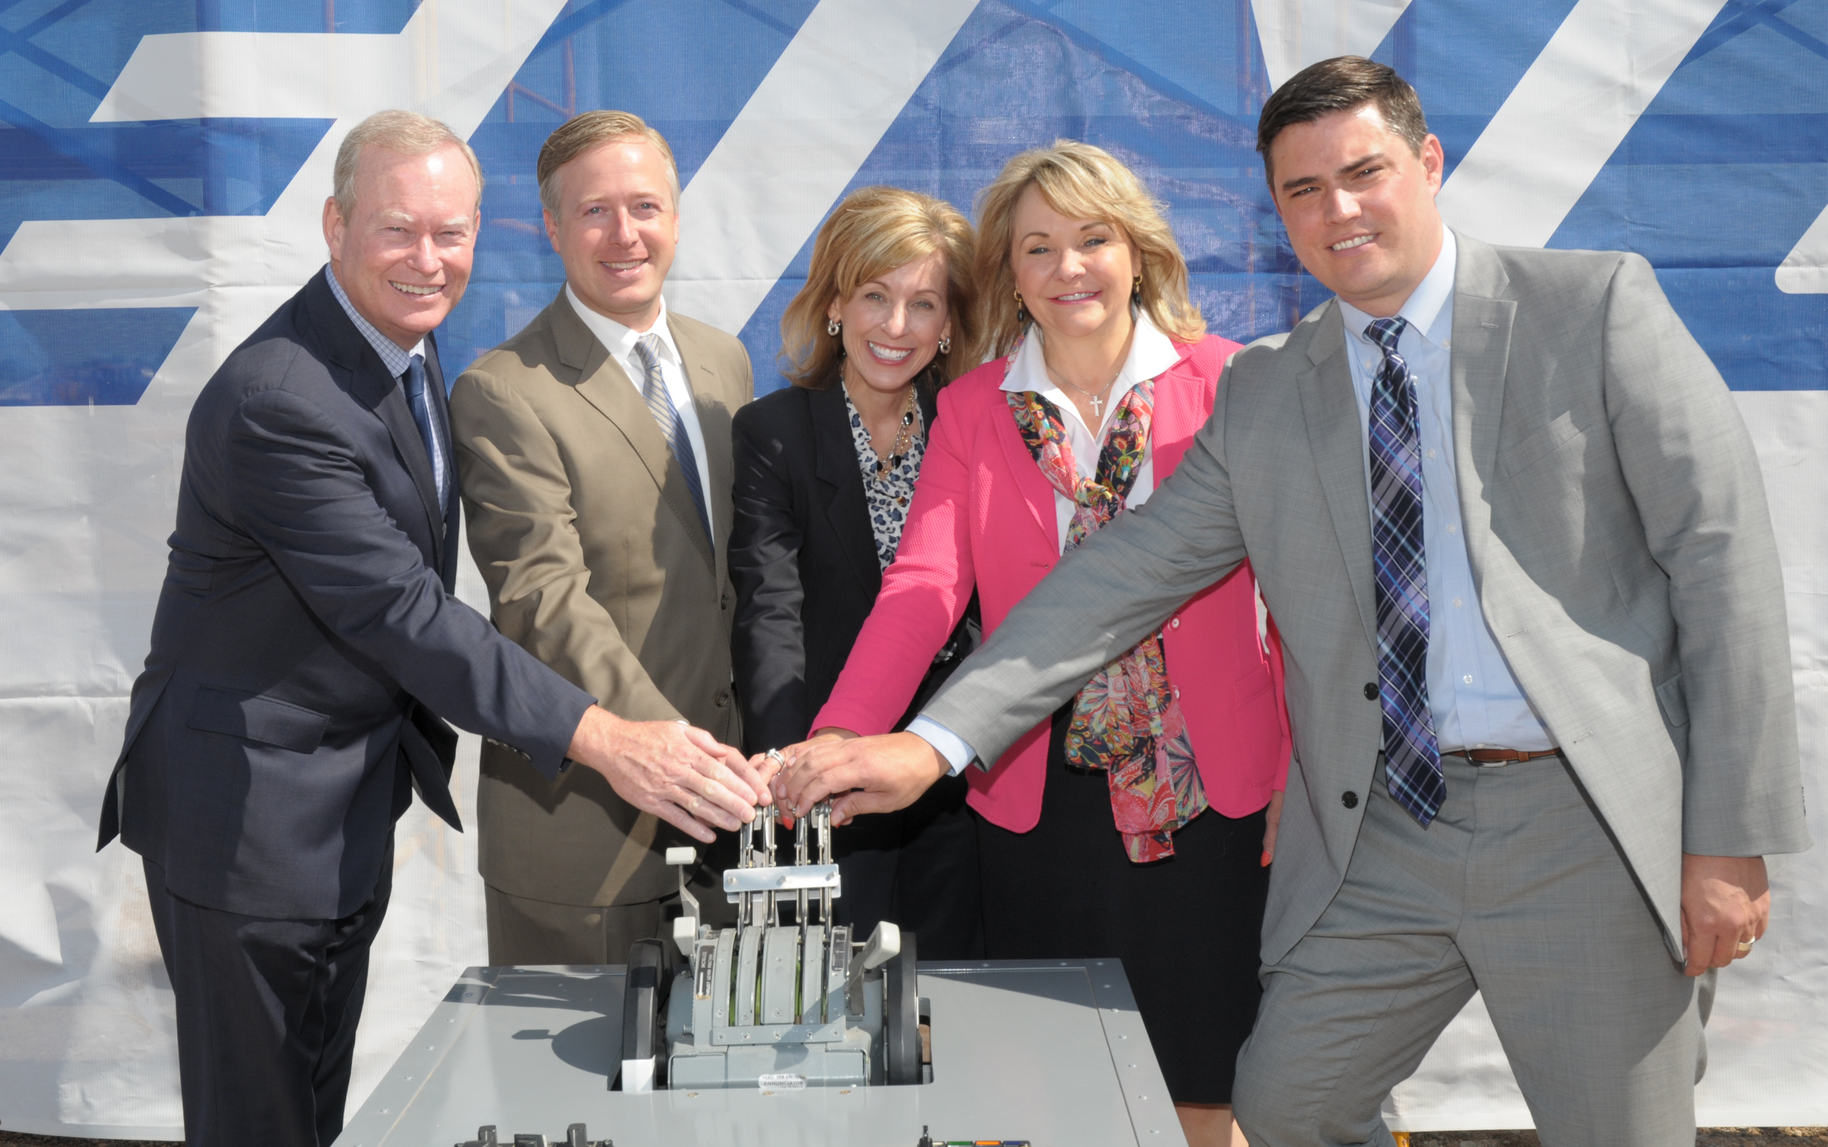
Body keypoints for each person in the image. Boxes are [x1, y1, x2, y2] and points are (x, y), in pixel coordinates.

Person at [776, 57, 1812, 1147]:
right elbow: (1120, 577)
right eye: (1303, 192)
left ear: (1428, 162)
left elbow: (1722, 559)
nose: (1340, 210)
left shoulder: (1590, 306)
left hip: (1579, 824)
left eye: (1362, 173)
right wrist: (931, 743)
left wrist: (1729, 835)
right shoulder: (1270, 386)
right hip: (1382, 838)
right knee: (1285, 1106)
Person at [96, 110, 767, 1147]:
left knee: (306, 1107)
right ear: (334, 225)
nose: (428, 259)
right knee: (257, 1122)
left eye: (450, 234)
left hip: (333, 812)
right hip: (248, 821)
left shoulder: (398, 352)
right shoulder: (282, 398)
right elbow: (402, 613)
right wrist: (609, 737)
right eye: (398, 230)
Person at [782, 142, 1290, 1147]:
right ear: (1008, 277)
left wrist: (1312, 779)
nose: (1070, 269)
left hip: (1216, 796)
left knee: (1207, 1086)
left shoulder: (1233, 383)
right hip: (1038, 801)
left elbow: (1303, 594)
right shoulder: (973, 411)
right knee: (1063, 1094)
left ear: (1137, 251)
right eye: (1039, 247)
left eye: (1093, 239)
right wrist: (841, 738)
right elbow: (924, 590)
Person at [449, 110, 758, 966]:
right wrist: (676, 754)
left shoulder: (723, 360)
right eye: (594, 212)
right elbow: (544, 600)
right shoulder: (503, 391)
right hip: (584, 832)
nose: (625, 234)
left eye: (645, 206)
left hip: (732, 820)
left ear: (677, 214)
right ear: (551, 226)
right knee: (574, 1097)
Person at [729, 186, 986, 958]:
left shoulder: (975, 424)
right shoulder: (774, 432)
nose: (897, 327)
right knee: (829, 1003)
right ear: (836, 300)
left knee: (962, 1005)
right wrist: (790, 765)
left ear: (949, 326)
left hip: (959, 778)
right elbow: (768, 607)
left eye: (925, 303)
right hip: (828, 780)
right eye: (876, 295)